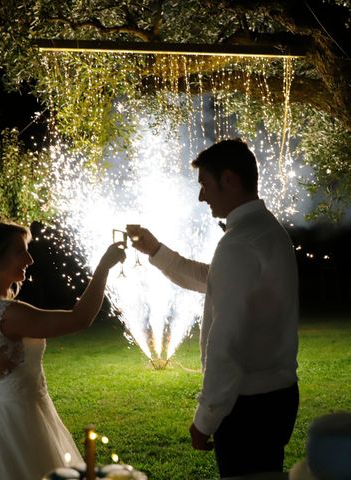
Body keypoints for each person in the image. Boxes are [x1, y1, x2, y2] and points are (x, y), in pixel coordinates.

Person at [127, 139, 299, 477]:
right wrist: (156, 250)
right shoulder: (267, 230)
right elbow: (212, 279)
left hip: (248, 405)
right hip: (278, 396)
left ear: (229, 179)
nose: (201, 196)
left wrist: (205, 418)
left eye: (205, 184)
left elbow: (226, 343)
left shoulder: (239, 244)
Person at [0, 220, 126, 480]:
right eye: (20, 251)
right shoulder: (8, 313)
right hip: (21, 420)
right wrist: (103, 267)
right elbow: (79, 318)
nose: (29, 259)